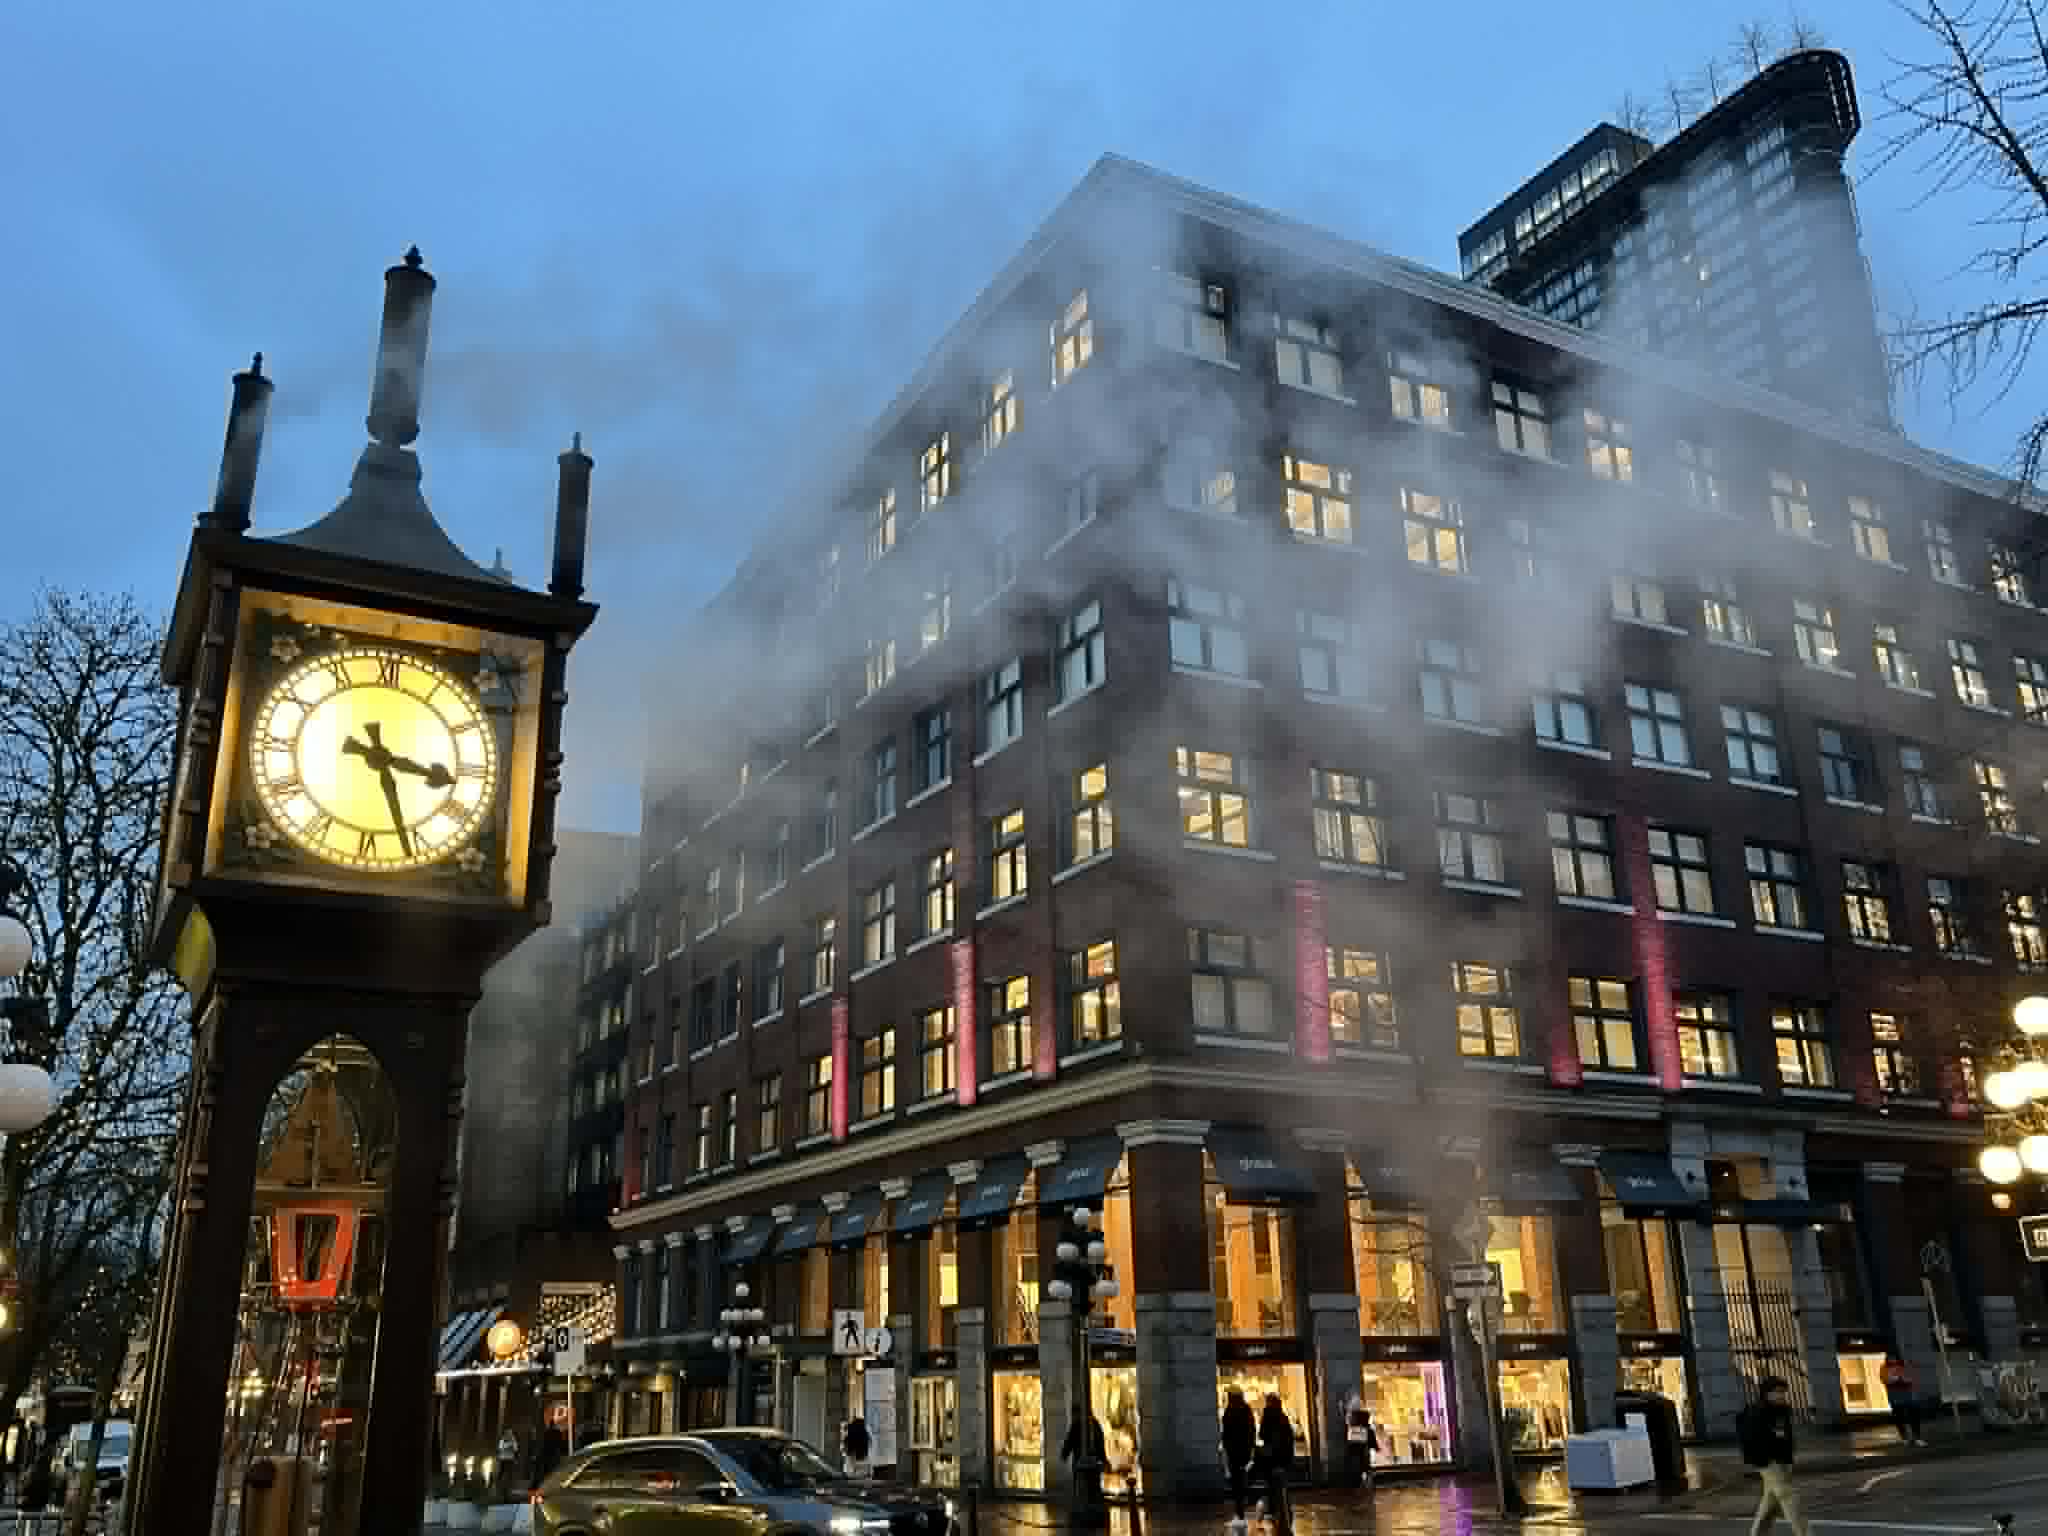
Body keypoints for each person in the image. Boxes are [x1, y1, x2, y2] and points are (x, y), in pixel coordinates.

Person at [1737, 1377, 1808, 1536]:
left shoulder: (1783, 1411)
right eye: (1777, 1392)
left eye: (1783, 1392)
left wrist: (1788, 1459)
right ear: (1766, 1393)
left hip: (1781, 1459)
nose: (1781, 1395)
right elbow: (1752, 1440)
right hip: (1766, 1460)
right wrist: (1763, 1460)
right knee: (1788, 1495)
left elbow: (1787, 1437)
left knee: (1770, 1501)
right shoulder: (1756, 1412)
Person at [1220, 1389, 1257, 1531]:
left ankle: (1240, 1510)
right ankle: (1242, 1506)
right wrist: (1250, 1446)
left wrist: (1227, 1446)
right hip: (1244, 1451)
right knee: (1241, 1478)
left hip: (1234, 1452)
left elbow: (1226, 1433)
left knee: (1237, 1481)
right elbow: (1252, 1429)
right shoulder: (1246, 1409)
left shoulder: (1230, 1411)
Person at [1259, 1395, 1295, 1536]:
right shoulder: (1283, 1417)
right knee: (1283, 1488)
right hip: (1283, 1459)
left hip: (1271, 1459)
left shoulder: (1267, 1416)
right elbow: (1289, 1439)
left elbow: (1262, 1434)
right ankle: (1285, 1515)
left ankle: (1275, 1514)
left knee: (1272, 1488)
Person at [1061, 1408, 1107, 1515]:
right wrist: (1103, 1459)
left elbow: (1069, 1441)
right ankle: (1091, 1506)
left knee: (1085, 1485)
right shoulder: (1093, 1424)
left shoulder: (1081, 1424)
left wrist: (1065, 1454)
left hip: (1083, 1461)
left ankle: (1086, 1506)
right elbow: (1100, 1443)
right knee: (1092, 1485)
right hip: (1087, 1460)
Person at [1880, 1354, 1924, 1445]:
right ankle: (1905, 1438)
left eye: (1894, 1358)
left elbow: (1910, 1378)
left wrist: (1899, 1378)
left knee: (1914, 1416)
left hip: (1908, 1397)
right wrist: (1897, 1378)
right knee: (1899, 1418)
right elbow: (1886, 1380)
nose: (1893, 1360)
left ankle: (1917, 1437)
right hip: (1895, 1398)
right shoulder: (1884, 1368)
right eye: (1891, 1358)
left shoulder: (1904, 1366)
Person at [1345, 1396, 1378, 1491]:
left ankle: (1359, 1484)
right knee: (1366, 1466)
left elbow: (1350, 1439)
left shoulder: (1350, 1421)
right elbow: (1370, 1435)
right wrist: (1375, 1447)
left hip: (1354, 1448)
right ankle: (1367, 1484)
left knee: (1357, 1467)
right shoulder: (1365, 1422)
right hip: (1364, 1448)